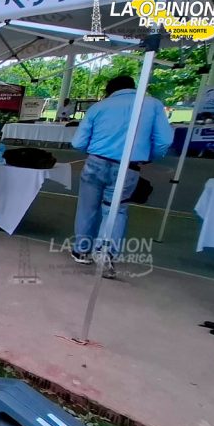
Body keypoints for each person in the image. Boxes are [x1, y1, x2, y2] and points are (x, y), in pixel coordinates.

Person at [70, 75, 173, 279]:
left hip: (96, 162)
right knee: (115, 209)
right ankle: (105, 253)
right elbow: (164, 141)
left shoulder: (99, 107)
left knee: (87, 206)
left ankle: (81, 249)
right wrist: (147, 156)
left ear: (110, 89)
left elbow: (78, 142)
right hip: (128, 167)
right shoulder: (152, 105)